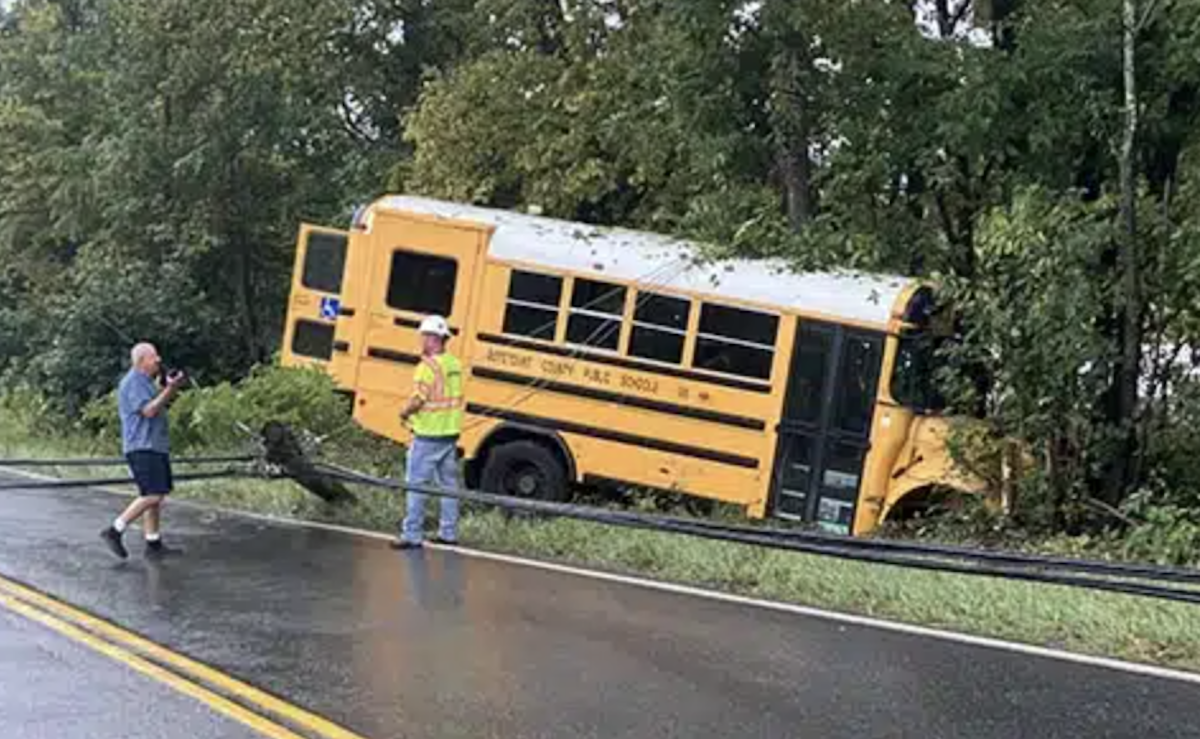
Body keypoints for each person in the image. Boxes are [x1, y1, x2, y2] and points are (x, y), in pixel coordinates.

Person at [99, 343, 187, 559]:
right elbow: (149, 410)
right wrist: (170, 389)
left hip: (154, 445)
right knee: (153, 494)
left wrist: (168, 387)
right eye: (153, 357)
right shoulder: (133, 382)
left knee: (154, 495)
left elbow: (157, 404)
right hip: (141, 446)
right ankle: (115, 530)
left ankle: (153, 544)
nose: (158, 360)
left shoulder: (147, 382)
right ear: (141, 361)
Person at [392, 315, 463, 550]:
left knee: (416, 485)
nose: (421, 340)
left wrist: (403, 413)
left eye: (424, 336)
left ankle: (412, 534)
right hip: (450, 434)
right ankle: (448, 532)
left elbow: (419, 400)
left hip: (428, 436)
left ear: (434, 338)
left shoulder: (427, 367)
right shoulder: (455, 364)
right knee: (449, 487)